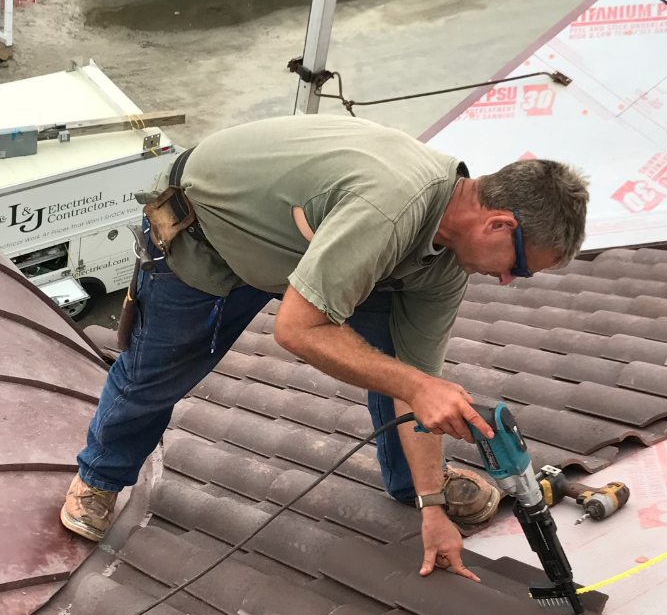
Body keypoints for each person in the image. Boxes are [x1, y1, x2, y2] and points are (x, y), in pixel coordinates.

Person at [61, 114, 589, 579]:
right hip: (211, 234)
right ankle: (99, 478)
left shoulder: (446, 259)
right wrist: (418, 384)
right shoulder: (389, 209)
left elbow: (415, 367)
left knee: (400, 366)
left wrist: (432, 508)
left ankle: (416, 484)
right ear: (499, 223)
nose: (507, 282)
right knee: (157, 370)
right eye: (518, 266)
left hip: (309, 240)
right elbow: (296, 330)